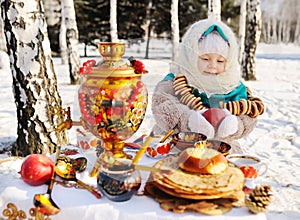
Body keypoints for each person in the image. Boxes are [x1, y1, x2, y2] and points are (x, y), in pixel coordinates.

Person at [151, 18, 264, 152]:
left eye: (220, 61)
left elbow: (249, 116)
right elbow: (162, 104)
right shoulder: (176, 80)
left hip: (218, 147)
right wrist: (189, 120)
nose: (212, 65)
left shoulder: (232, 86)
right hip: (176, 143)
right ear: (191, 57)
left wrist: (234, 125)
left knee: (230, 166)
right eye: (205, 58)